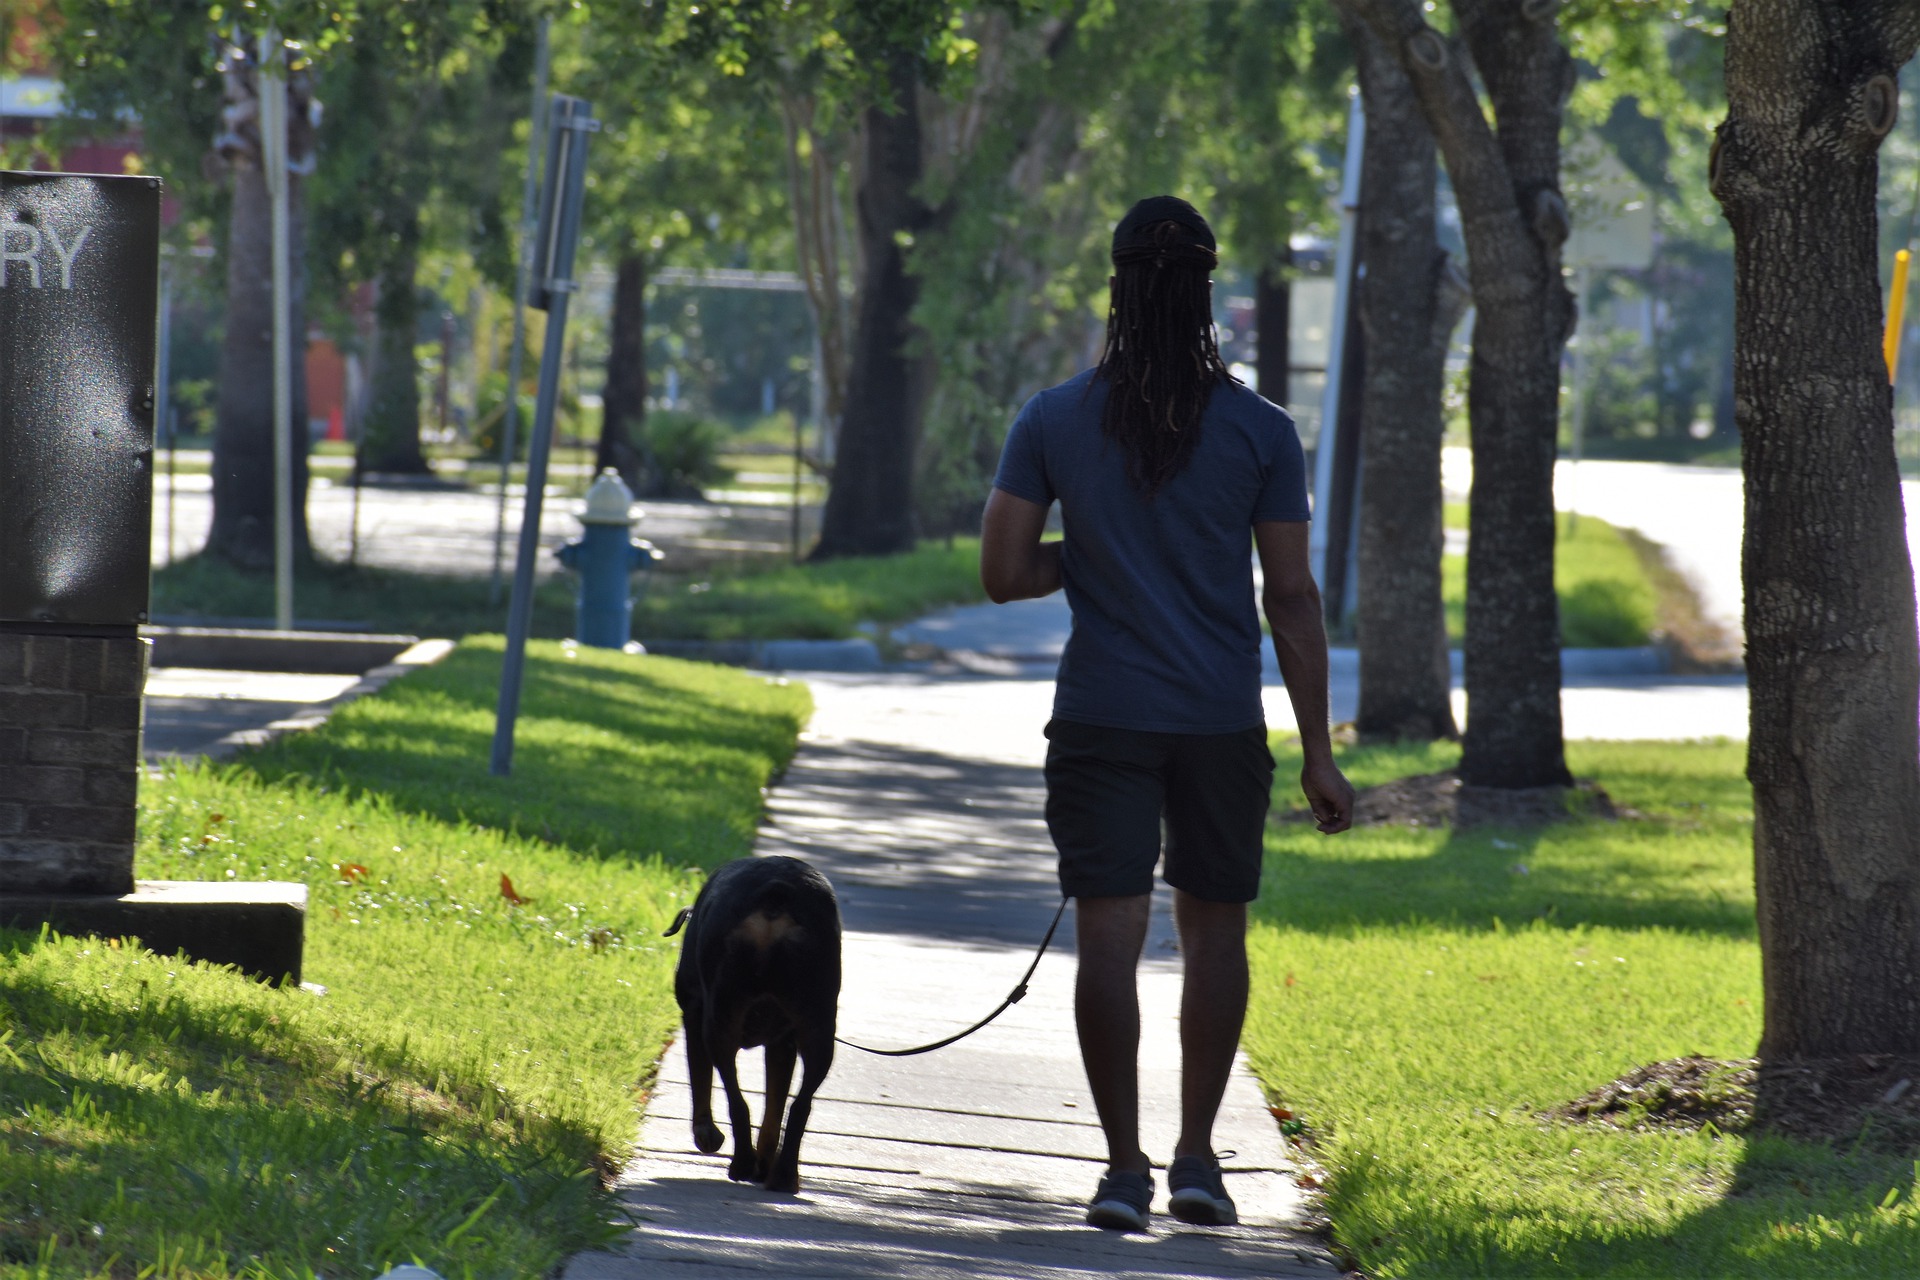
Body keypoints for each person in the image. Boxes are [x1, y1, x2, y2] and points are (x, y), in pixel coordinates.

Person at [979, 195, 1354, 1232]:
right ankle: (1196, 1158)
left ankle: (1120, 1170)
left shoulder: (1052, 416)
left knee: (1109, 930)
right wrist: (1320, 752)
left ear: (1116, 288)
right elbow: (1291, 595)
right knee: (1212, 932)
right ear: (1207, 294)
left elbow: (1003, 571)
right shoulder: (1262, 430)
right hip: (1219, 721)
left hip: (1101, 715)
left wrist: (1090, 555)